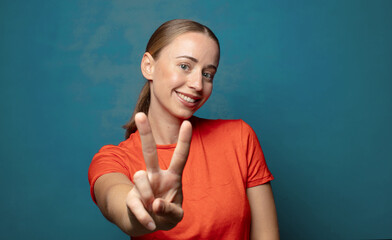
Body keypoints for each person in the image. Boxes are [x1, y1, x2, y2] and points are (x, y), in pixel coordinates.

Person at [88, 19, 279, 239]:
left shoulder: (239, 137)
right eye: (185, 66)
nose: (198, 84)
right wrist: (142, 214)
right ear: (148, 66)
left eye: (208, 74)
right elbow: (116, 202)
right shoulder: (113, 159)